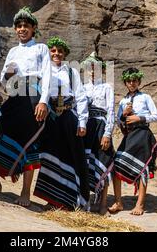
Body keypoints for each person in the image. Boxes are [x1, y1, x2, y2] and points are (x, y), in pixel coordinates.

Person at [0, 7, 51, 207]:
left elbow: (47, 75)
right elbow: (3, 81)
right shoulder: (12, 51)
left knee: (29, 141)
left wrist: (43, 101)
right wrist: (7, 75)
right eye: (19, 26)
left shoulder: (41, 49)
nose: (22, 29)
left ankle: (25, 192)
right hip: (15, 95)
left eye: (26, 26)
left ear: (33, 28)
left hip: (33, 96)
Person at [33, 36, 90, 211]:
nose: (56, 54)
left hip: (68, 116)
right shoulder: (43, 70)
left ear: (65, 53)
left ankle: (71, 201)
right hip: (50, 117)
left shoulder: (71, 72)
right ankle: (52, 199)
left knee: (71, 156)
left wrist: (82, 122)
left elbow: (80, 97)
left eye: (60, 51)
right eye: (53, 50)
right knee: (51, 155)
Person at [108, 68, 157, 216]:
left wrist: (140, 118)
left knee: (143, 168)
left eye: (135, 80)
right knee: (116, 164)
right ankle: (118, 202)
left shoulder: (146, 97)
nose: (132, 83)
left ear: (139, 81)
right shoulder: (124, 101)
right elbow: (119, 121)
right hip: (129, 136)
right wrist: (124, 115)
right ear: (125, 83)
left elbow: (155, 116)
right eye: (129, 81)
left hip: (143, 134)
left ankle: (140, 204)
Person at [81, 52, 115, 215]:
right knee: (86, 164)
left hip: (101, 127)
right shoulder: (83, 87)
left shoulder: (107, 87)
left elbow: (111, 111)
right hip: (87, 128)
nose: (92, 71)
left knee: (103, 161)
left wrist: (107, 133)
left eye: (95, 68)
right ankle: (86, 201)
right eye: (90, 68)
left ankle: (102, 203)